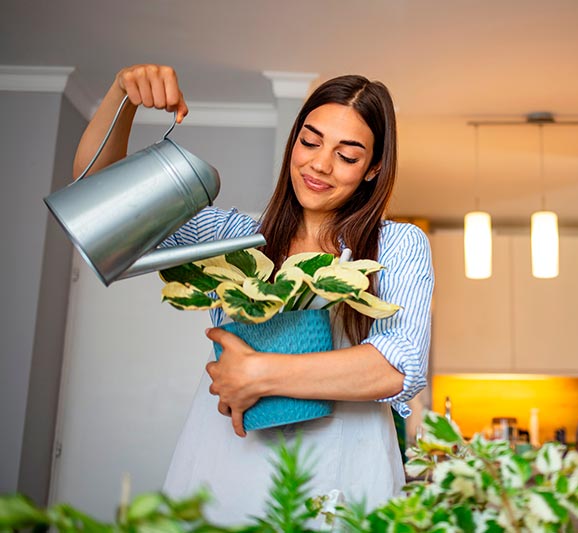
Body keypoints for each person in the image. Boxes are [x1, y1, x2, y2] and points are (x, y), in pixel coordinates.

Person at [72, 64, 434, 525]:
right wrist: (121, 96)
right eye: (309, 141)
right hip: (225, 457)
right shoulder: (234, 237)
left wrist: (257, 373)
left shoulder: (397, 245)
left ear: (373, 168)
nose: (320, 164)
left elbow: (395, 366)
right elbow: (100, 207)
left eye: (348, 155)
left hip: (344, 472)